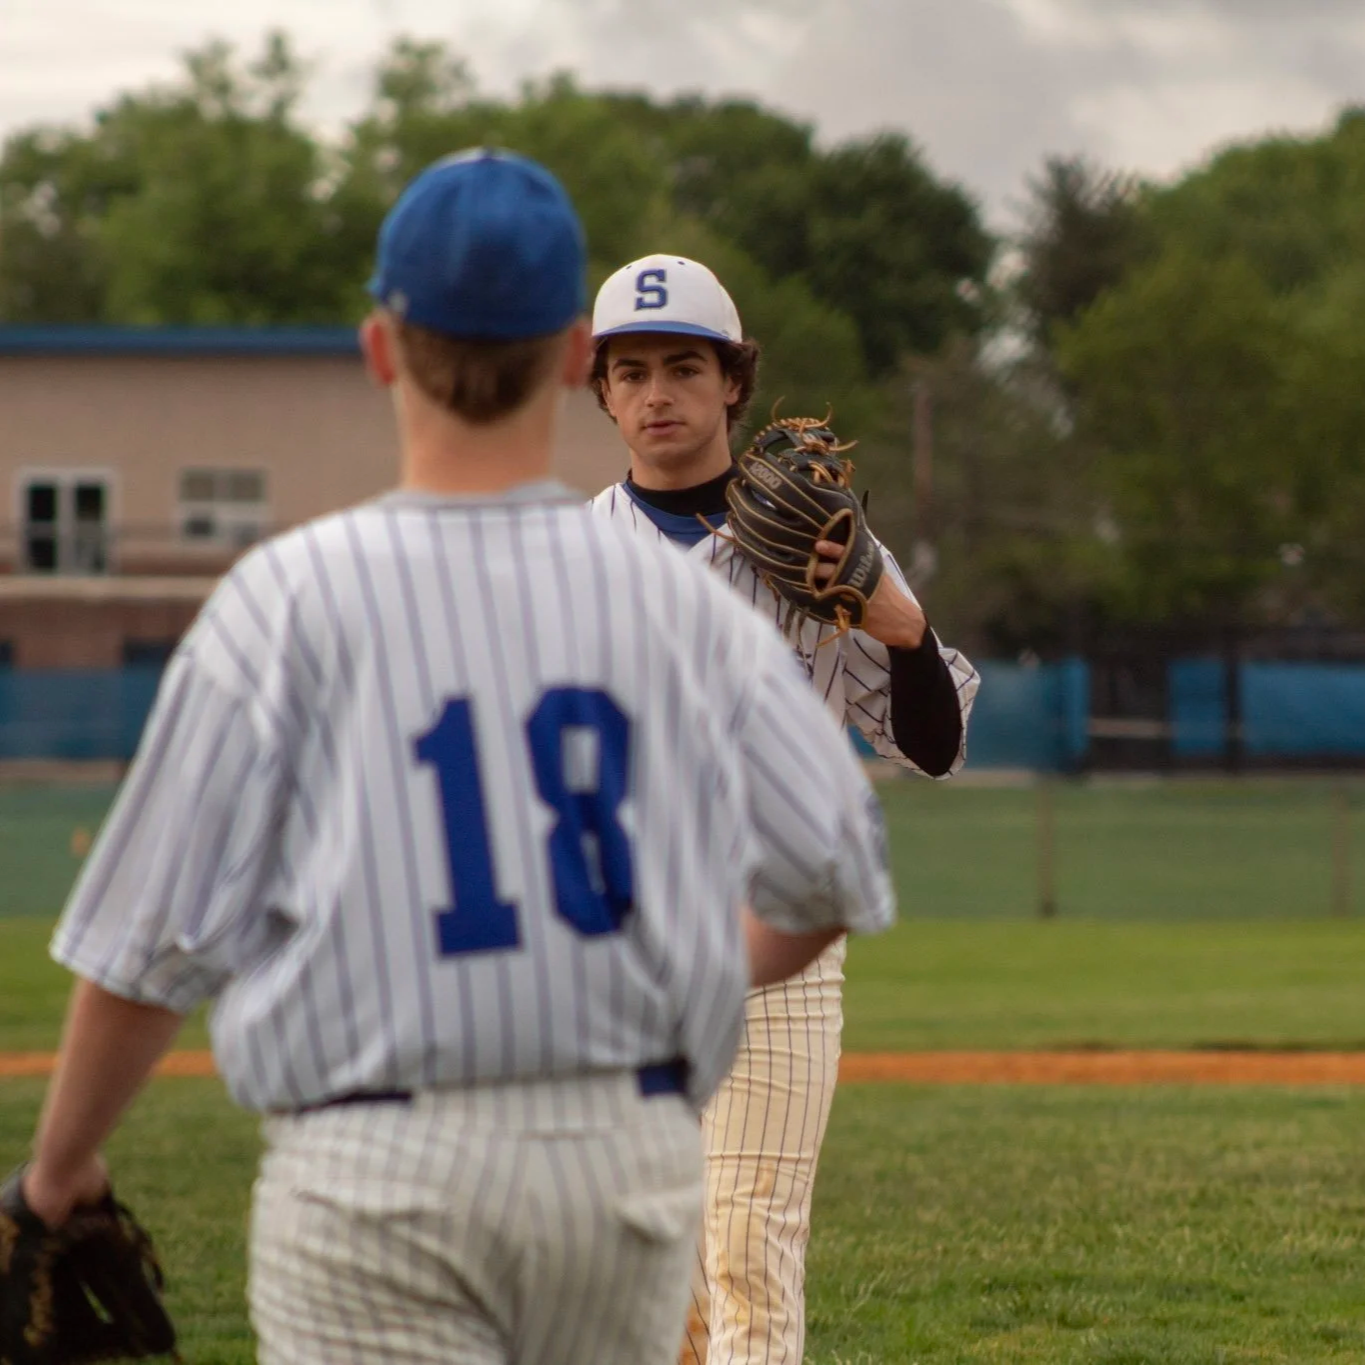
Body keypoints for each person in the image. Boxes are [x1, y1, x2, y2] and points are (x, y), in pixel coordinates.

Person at [15, 156, 896, 1365]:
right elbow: (836, 872)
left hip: (369, 1180)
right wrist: (683, 977)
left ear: (381, 348)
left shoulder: (283, 603)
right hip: (611, 1169)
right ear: (571, 354)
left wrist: (56, 1178)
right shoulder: (674, 603)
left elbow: (146, 944)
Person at [587, 253, 980, 1365]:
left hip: (782, 938)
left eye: (683, 366)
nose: (657, 392)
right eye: (631, 371)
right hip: (616, 946)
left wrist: (899, 624)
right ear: (604, 394)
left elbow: (937, 748)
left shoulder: (824, 552)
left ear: (733, 386)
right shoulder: (564, 559)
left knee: (749, 1243)